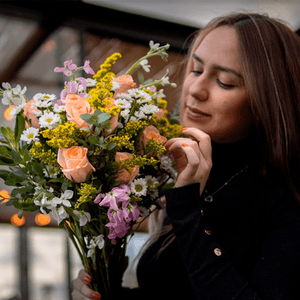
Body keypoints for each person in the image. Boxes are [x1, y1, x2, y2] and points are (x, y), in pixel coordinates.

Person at [71, 12, 300, 300]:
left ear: (268, 99)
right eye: (195, 69)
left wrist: (187, 210)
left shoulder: (287, 198)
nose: (196, 90)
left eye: (225, 82)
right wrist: (107, 295)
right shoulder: (186, 169)